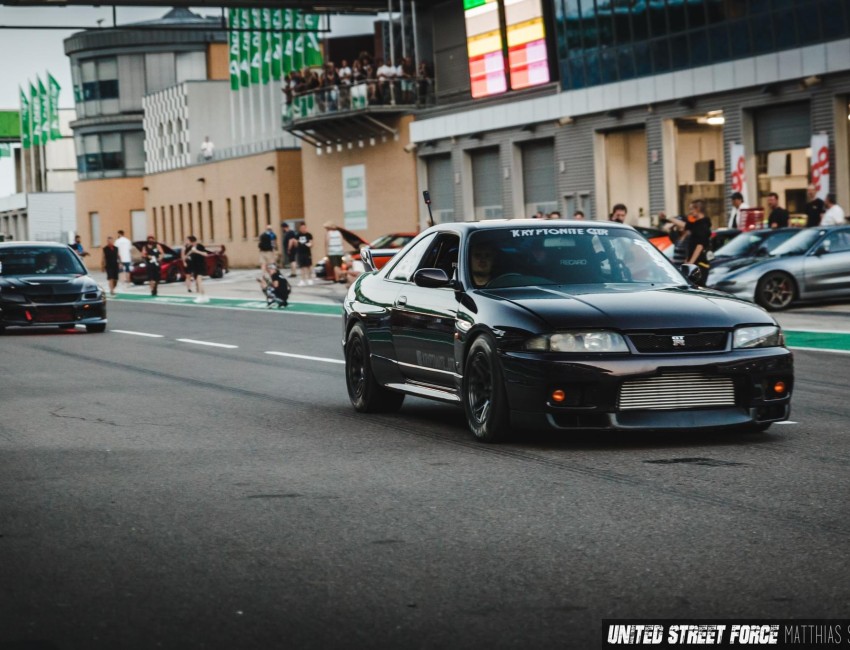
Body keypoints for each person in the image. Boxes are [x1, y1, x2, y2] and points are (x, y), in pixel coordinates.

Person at [672, 200, 711, 285]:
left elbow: (699, 246)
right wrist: (688, 260)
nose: (690, 212)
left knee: (698, 287)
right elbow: (685, 225)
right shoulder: (696, 224)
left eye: (692, 209)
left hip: (700, 264)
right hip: (694, 264)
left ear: (698, 209)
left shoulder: (703, 225)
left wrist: (691, 262)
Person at [185, 235, 211, 304]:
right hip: (194, 267)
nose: (186, 242)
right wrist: (188, 256)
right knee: (197, 283)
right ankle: (204, 296)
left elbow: (206, 254)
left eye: (187, 240)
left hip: (201, 266)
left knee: (199, 281)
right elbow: (187, 255)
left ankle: (200, 297)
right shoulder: (190, 248)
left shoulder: (200, 246)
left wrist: (196, 251)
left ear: (192, 241)